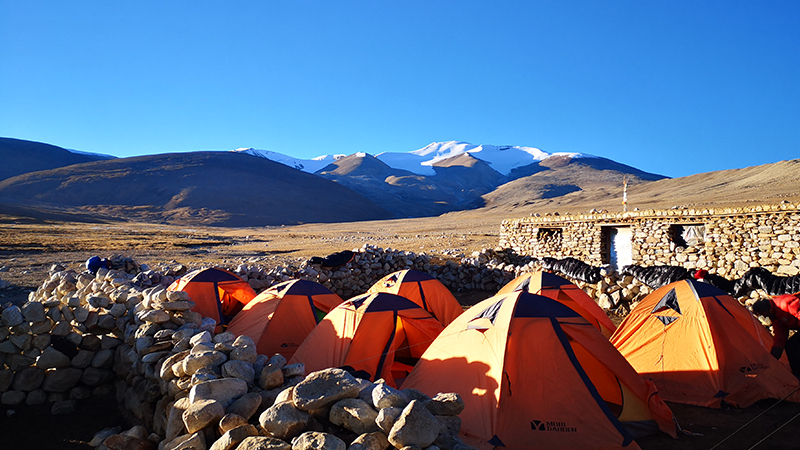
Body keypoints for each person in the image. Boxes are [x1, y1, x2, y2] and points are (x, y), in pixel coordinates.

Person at [752, 294, 800, 375]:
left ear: (768, 310)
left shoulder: (784, 304)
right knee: (790, 346)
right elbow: (780, 337)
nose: (765, 317)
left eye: (763, 314)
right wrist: (774, 356)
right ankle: (797, 374)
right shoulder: (775, 317)